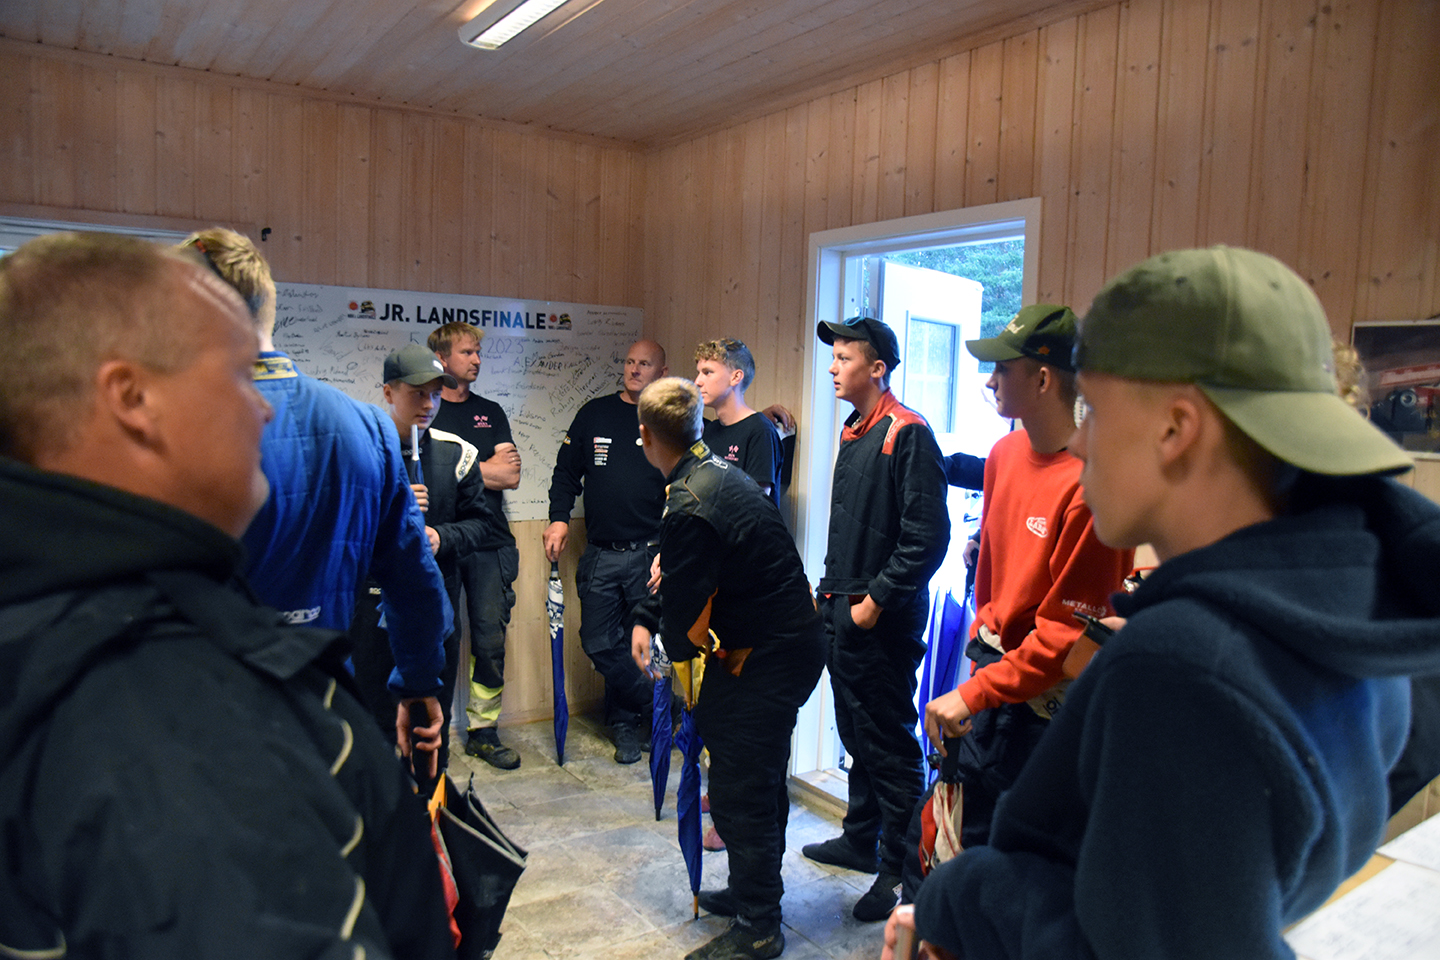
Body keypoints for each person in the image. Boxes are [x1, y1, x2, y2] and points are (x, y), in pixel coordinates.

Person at [889, 246, 1440, 960]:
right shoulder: (1358, 603)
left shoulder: (1186, 665)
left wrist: (957, 901)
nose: (1080, 443)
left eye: (1094, 410)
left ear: (1176, 429)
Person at [0, 232, 453, 958]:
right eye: (239, 374)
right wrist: (418, 681)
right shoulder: (173, 726)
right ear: (132, 399)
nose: (267, 408)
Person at [181, 228, 451, 772]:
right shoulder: (367, 427)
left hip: (203, 728)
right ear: (267, 310)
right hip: (323, 717)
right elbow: (416, 583)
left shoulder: (168, 428)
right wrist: (419, 684)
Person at [922, 304, 1134, 849]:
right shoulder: (1004, 453)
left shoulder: (1090, 487)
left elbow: (1068, 634)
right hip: (992, 681)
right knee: (939, 846)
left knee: (1007, 856)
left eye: (1003, 369)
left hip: (1041, 712)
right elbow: (992, 578)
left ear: (1042, 379)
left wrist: (979, 691)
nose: (990, 381)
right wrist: (978, 667)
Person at [628, 378, 825, 960]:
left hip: (767, 657)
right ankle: (749, 892)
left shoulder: (691, 499)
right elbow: (682, 573)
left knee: (742, 791)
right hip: (776, 646)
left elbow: (684, 612)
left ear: (645, 436)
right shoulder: (711, 472)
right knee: (752, 782)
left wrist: (662, 657)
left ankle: (759, 926)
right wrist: (648, 616)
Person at [802, 316, 950, 922]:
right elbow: (852, 528)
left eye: (844, 358)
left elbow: (927, 538)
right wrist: (829, 597)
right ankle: (860, 839)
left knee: (888, 744)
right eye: (833, 357)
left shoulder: (907, 432)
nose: (833, 367)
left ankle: (903, 872)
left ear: (877, 368)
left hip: (879, 619)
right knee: (855, 732)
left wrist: (874, 602)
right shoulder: (853, 429)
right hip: (842, 607)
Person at [351, 343, 508, 770]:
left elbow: (483, 525)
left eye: (436, 394)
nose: (428, 404)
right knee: (374, 724)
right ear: (389, 392)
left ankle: (429, 798)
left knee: (427, 728)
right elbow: (342, 527)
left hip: (434, 608)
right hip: (370, 609)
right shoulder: (361, 450)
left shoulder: (458, 453)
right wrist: (392, 506)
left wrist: (441, 536)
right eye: (418, 393)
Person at [544, 339, 670, 763]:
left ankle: (625, 724)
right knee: (599, 641)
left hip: (650, 553)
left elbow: (714, 439)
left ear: (661, 372)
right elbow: (565, 473)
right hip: (601, 552)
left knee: (642, 642)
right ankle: (659, 703)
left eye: (644, 363)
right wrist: (559, 518)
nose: (634, 369)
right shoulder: (594, 413)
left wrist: (763, 417)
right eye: (630, 361)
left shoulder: (666, 418)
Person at [428, 322, 523, 770]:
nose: (477, 360)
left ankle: (484, 732)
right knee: (440, 638)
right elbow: (423, 475)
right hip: (442, 542)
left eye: (478, 352)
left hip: (489, 541)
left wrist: (454, 468)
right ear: (442, 359)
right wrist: (482, 467)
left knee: (489, 640)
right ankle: (432, 731)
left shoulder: (490, 411)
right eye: (467, 352)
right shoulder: (428, 410)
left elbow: (511, 475)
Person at [694, 338, 784, 509]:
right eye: (698, 373)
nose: (698, 381)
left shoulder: (760, 431)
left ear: (736, 377)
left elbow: (756, 503)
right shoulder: (710, 430)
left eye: (707, 372)